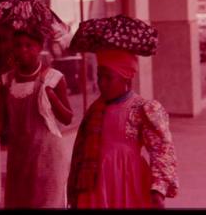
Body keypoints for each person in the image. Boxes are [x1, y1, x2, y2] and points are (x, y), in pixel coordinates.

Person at [67, 48, 178, 209]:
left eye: (108, 77)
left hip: (128, 181)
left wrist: (158, 189)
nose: (101, 83)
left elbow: (161, 150)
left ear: (126, 78)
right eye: (99, 76)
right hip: (94, 183)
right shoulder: (95, 109)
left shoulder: (142, 108)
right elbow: (80, 151)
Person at [0, 29, 73, 208]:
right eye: (18, 45)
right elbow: (0, 119)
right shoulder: (7, 80)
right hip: (20, 158)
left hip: (48, 156)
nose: (23, 50)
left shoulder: (54, 78)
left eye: (29, 45)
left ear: (40, 47)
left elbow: (67, 118)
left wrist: (52, 97)